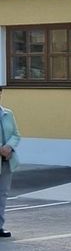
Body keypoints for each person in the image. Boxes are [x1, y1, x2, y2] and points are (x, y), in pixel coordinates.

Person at [0, 87, 21, 238]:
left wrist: (9, 146)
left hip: (7, 161)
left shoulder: (8, 113)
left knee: (2, 194)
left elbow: (16, 134)